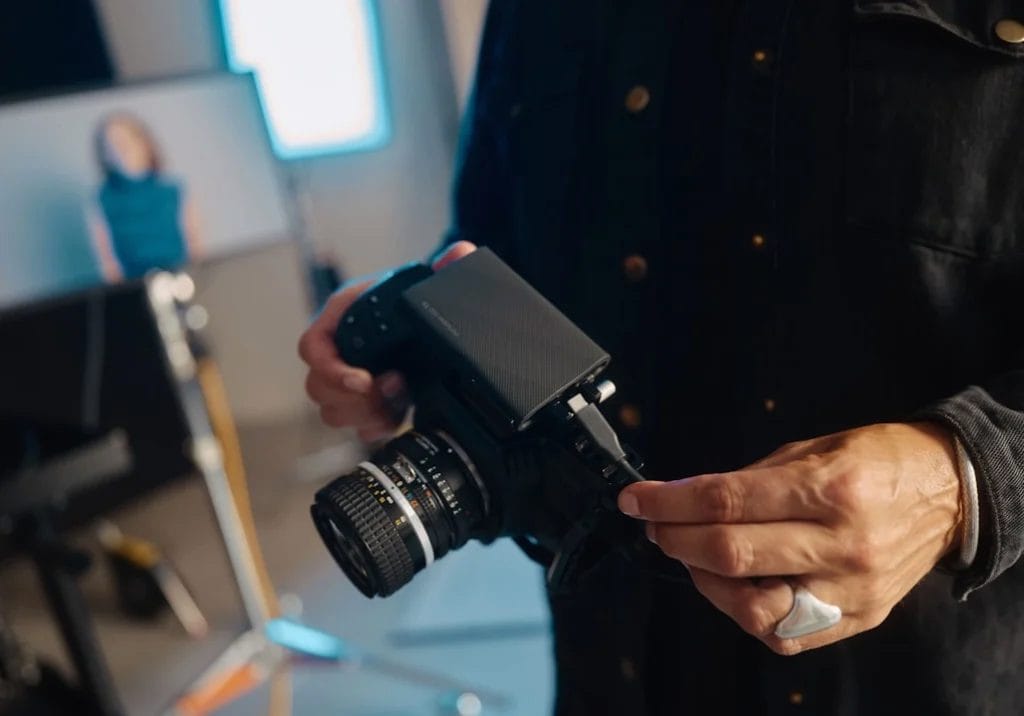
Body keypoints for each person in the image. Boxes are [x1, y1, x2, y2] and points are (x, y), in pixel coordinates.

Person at [299, 2, 1024, 714]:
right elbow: (489, 243)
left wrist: (958, 483)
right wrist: (414, 325)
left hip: (909, 668)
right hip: (610, 658)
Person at [87, 113, 202, 281]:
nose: (121, 151)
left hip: (180, 279)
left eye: (125, 141)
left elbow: (195, 247)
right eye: (111, 146)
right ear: (105, 155)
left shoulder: (174, 190)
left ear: (143, 142)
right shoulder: (102, 200)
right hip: (133, 287)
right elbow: (108, 264)